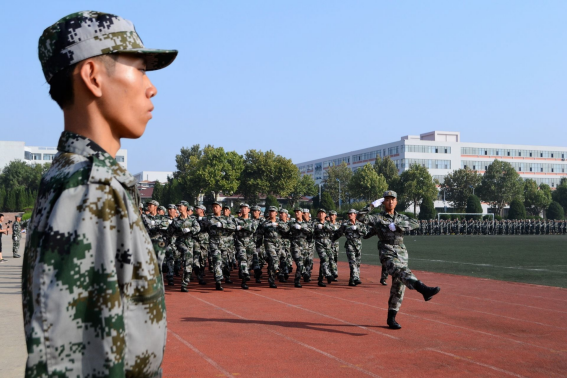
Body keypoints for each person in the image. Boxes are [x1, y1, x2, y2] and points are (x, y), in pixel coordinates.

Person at [22, 11, 177, 377]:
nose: (150, 87)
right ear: (92, 77)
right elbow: (76, 359)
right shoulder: (90, 188)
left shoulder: (81, 177)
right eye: (139, 69)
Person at [357, 191, 440, 330]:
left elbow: (416, 223)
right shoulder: (378, 218)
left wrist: (398, 225)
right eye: (387, 199)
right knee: (401, 271)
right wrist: (372, 205)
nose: (390, 202)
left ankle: (391, 318)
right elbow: (360, 217)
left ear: (396, 202)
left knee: (399, 286)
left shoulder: (401, 217)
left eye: (392, 199)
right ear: (383, 202)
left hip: (401, 252)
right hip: (387, 251)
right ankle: (422, 288)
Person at [335, 209, 368, 286]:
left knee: (357, 263)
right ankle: (356, 278)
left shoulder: (360, 224)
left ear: (355, 214)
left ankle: (352, 280)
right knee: (352, 262)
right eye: (348, 214)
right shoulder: (345, 224)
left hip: (358, 244)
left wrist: (358, 229)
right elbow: (339, 232)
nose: (349, 215)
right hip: (350, 244)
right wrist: (332, 239)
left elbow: (365, 233)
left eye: (351, 214)